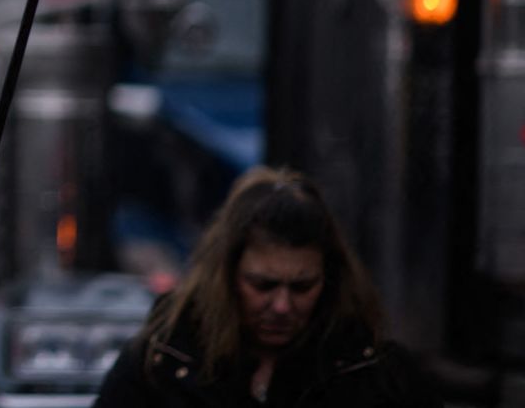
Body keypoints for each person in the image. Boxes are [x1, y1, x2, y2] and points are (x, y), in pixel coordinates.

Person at [93, 166, 439, 407]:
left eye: (302, 287)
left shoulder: (376, 375)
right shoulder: (161, 363)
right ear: (226, 278)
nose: (282, 306)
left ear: (330, 280)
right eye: (263, 285)